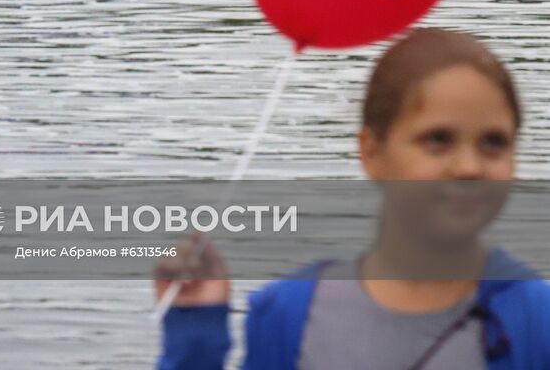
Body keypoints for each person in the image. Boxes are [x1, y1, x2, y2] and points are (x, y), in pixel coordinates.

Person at [154, 28, 550, 369]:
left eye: (494, 143)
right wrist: (194, 335)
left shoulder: (534, 323)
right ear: (371, 152)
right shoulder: (289, 315)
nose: (469, 167)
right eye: (437, 139)